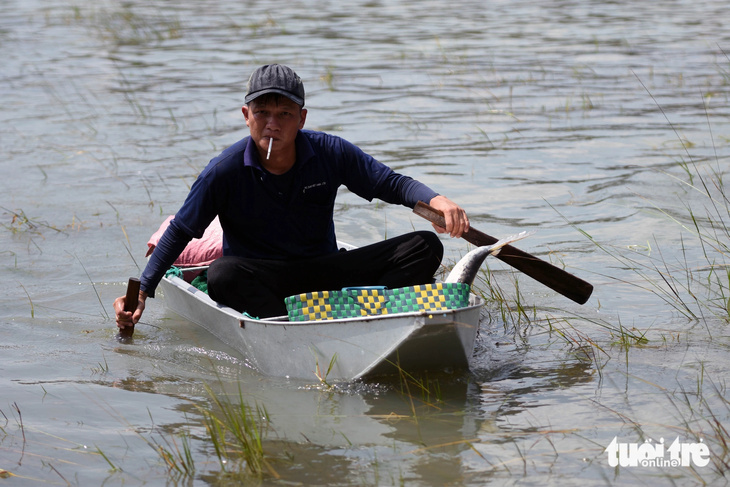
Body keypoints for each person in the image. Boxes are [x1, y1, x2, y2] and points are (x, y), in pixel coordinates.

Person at [114, 64, 469, 329]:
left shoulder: (330, 152)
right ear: (246, 116)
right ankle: (286, 326)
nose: (273, 123)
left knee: (424, 246)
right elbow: (180, 230)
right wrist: (143, 290)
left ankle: (352, 310)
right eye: (263, 113)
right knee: (222, 275)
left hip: (326, 274)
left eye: (284, 114)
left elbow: (390, 184)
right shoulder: (224, 170)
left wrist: (436, 200)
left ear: (301, 118)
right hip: (265, 279)